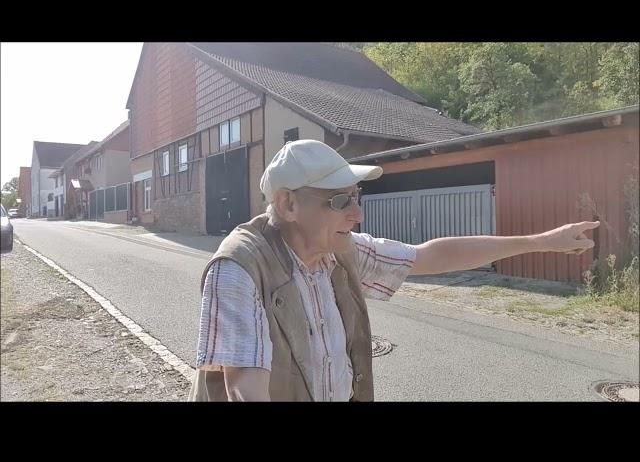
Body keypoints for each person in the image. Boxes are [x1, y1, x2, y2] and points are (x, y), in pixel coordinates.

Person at [189, 139, 598, 402]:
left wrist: (542, 241)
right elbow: (244, 388)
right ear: (287, 205)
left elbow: (431, 256)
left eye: (356, 196)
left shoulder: (338, 250)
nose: (357, 213)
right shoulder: (239, 268)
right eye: (338, 201)